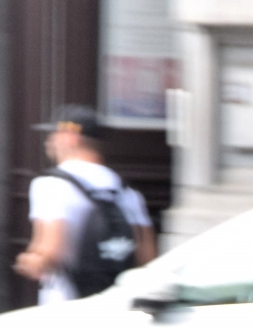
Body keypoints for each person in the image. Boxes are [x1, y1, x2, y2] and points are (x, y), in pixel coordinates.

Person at [14, 105, 157, 304]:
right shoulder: (127, 192)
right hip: (116, 306)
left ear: (69, 137)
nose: (49, 142)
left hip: (67, 305)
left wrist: (28, 261)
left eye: (53, 135)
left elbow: (51, 252)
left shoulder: (50, 185)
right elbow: (147, 257)